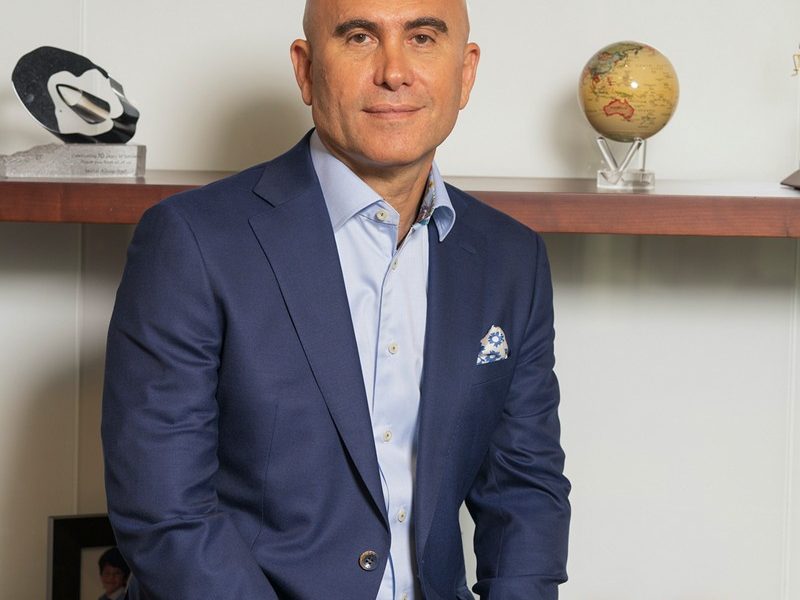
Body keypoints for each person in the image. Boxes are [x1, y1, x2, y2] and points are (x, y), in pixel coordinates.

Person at [101, 0, 570, 598]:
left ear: (466, 72)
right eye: (359, 38)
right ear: (305, 69)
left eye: (423, 38)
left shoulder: (511, 257)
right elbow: (166, 514)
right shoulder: (192, 241)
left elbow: (524, 488)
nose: (394, 71)